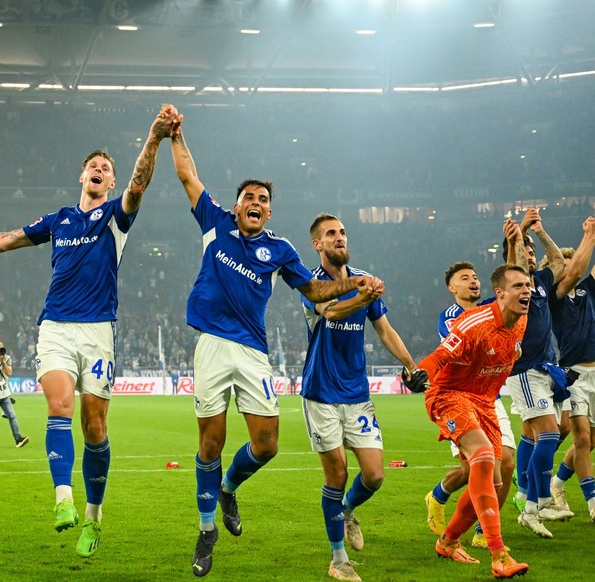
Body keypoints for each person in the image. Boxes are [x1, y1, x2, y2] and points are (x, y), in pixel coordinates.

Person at [0, 104, 178, 559]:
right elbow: (4, 240)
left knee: (96, 427)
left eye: (107, 168)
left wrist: (155, 136)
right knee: (59, 406)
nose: (100, 171)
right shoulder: (59, 219)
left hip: (99, 330)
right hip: (56, 328)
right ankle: (63, 500)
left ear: (111, 181)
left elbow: (140, 180)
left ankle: (94, 518)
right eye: (93, 167)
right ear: (81, 177)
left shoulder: (117, 217)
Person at [168, 117, 381, 579]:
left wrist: (355, 284)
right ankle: (207, 531)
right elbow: (187, 174)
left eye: (264, 200)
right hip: (211, 344)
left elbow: (314, 291)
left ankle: (228, 488)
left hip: (252, 351)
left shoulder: (280, 249)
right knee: (211, 440)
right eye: (249, 197)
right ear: (237, 204)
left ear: (269, 212)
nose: (256, 204)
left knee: (267, 446)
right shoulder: (215, 223)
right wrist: (175, 134)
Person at [299, 213, 418, 582]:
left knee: (375, 475)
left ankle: (347, 510)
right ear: (317, 243)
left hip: (356, 393)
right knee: (336, 473)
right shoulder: (310, 284)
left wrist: (411, 366)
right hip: (321, 393)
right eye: (330, 233)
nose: (339, 237)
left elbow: (384, 329)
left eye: (343, 232)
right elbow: (331, 310)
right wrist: (362, 296)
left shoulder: (365, 279)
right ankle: (338, 559)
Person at [415, 263, 531, 579]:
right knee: (480, 457)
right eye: (519, 286)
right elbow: (440, 355)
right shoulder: (473, 322)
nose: (527, 291)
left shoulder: (520, 322)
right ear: (500, 293)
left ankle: (448, 540)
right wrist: (421, 372)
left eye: (528, 285)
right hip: (449, 394)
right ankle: (499, 553)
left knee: (492, 479)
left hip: (483, 401)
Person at [500, 212, 574, 539]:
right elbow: (517, 264)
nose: (531, 256)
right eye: (525, 251)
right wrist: (520, 236)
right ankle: (539, 499)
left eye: (532, 252)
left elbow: (559, 262)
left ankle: (528, 503)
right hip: (525, 370)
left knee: (537, 434)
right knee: (549, 433)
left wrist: (540, 232)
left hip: (546, 368)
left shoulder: (541, 282)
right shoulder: (512, 284)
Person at [546, 216, 595, 521]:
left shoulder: (588, 289)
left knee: (592, 440)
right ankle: (592, 501)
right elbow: (578, 269)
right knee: (582, 439)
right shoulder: (554, 297)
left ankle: (557, 481)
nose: (570, 269)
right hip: (573, 372)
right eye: (563, 266)